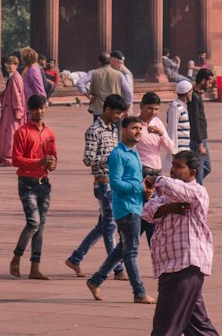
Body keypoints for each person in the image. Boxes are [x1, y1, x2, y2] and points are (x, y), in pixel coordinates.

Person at [142, 149, 222, 336]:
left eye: (179, 166)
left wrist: (157, 179)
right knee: (197, 323)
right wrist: (169, 207)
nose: (173, 170)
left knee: (166, 324)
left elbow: (179, 190)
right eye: (172, 164)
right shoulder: (166, 195)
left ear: (192, 171)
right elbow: (147, 211)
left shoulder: (197, 191)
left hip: (185, 264)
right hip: (170, 265)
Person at [85, 112, 154, 303]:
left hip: (136, 205)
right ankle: (139, 292)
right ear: (123, 131)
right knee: (131, 251)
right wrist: (138, 187)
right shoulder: (118, 154)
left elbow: (134, 181)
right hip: (126, 208)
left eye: (140, 128)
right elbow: (115, 184)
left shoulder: (134, 153)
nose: (138, 131)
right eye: (134, 128)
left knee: (122, 248)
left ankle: (96, 280)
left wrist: (144, 192)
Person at [65, 92, 129, 281]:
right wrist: (109, 159)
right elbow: (88, 159)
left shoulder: (112, 129)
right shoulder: (94, 130)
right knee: (110, 226)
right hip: (103, 183)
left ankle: (76, 258)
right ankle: (117, 268)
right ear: (107, 110)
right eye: (117, 113)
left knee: (103, 226)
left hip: (114, 182)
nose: (119, 117)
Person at [9, 92, 57, 280]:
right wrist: (39, 162)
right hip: (27, 182)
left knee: (41, 225)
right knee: (34, 222)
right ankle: (17, 256)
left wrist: (51, 164)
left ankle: (35, 266)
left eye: (42, 107)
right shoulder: (22, 132)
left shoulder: (49, 133)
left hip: (43, 182)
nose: (40, 111)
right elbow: (16, 159)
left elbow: (54, 158)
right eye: (36, 108)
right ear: (29, 110)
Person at [135, 90, 175, 240]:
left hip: (157, 173)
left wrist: (161, 133)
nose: (153, 112)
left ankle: (124, 250)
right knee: (150, 216)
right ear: (141, 106)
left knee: (152, 216)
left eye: (156, 109)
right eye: (149, 108)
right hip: (143, 172)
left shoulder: (157, 123)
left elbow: (171, 148)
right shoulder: (136, 124)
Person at [0, 53, 26, 166]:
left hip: (12, 112)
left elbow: (16, 96)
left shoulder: (14, 78)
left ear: (16, 65)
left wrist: (18, 111)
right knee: (8, 134)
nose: (8, 66)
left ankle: (9, 158)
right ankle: (7, 157)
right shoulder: (14, 77)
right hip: (10, 110)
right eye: (7, 63)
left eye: (11, 64)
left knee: (10, 135)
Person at [188, 68, 214, 184]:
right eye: (209, 82)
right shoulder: (194, 97)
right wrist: (199, 143)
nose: (210, 85)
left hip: (202, 138)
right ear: (203, 81)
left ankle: (189, 184)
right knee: (198, 171)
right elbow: (194, 121)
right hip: (197, 139)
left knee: (207, 167)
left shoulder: (197, 95)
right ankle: (196, 192)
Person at [89, 51, 128, 117]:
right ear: (110, 61)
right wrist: (127, 106)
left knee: (99, 126)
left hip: (99, 108)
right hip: (115, 108)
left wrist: (88, 95)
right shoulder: (119, 74)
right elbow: (128, 91)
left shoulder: (93, 73)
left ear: (99, 62)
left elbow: (80, 83)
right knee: (115, 127)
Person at [166, 79, 192, 151]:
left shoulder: (183, 107)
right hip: (179, 150)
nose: (191, 94)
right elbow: (172, 129)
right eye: (190, 92)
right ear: (187, 93)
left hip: (185, 149)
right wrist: (173, 150)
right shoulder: (175, 107)